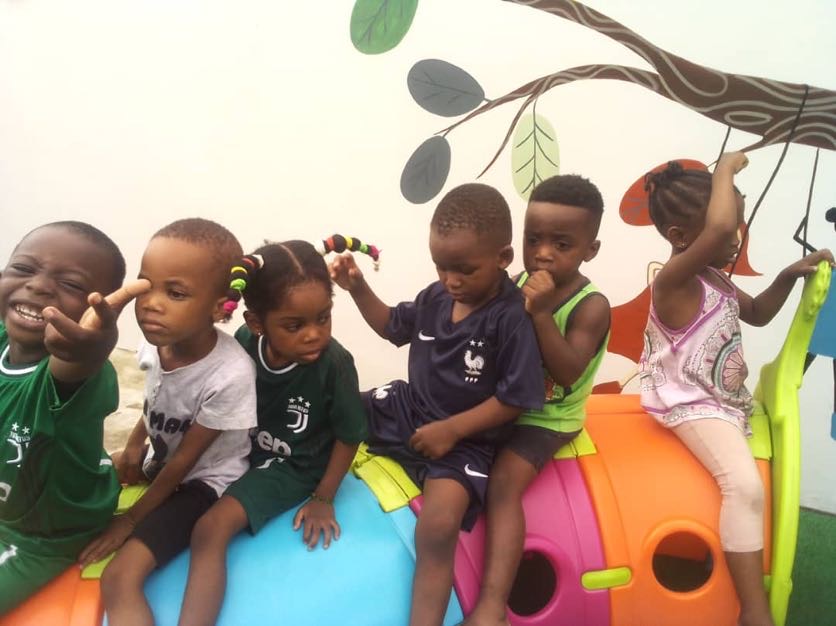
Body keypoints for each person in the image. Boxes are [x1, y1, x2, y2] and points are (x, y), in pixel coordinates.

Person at [330, 182, 545, 626]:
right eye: (441, 267)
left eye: (464, 270)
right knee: (335, 410)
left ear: (503, 258)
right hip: (408, 408)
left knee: (438, 526)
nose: (451, 280)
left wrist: (453, 430)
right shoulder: (437, 296)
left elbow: (516, 399)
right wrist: (357, 288)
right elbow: (393, 325)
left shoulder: (511, 318)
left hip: (465, 443)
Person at [638, 152, 834, 626]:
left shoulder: (712, 278)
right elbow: (721, 228)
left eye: (739, 226)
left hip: (721, 403)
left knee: (747, 483)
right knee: (744, 487)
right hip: (688, 403)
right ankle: (753, 609)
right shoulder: (673, 281)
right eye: (728, 228)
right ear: (681, 237)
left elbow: (759, 313)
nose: (735, 237)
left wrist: (788, 276)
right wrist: (723, 169)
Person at [176, 240, 368, 626]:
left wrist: (324, 497)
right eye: (295, 325)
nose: (314, 334)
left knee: (210, 530)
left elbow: (350, 435)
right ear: (256, 323)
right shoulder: (243, 343)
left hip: (292, 464)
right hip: (242, 449)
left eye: (323, 318)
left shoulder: (335, 364)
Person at [81, 218, 258, 626]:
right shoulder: (157, 341)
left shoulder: (230, 375)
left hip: (201, 483)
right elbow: (157, 400)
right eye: (146, 286)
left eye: (175, 293)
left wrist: (130, 519)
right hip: (161, 460)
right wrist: (133, 444)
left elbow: (184, 463)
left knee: (119, 578)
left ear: (219, 307)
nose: (150, 303)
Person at [464, 175, 611, 626]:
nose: (543, 253)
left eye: (561, 244)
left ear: (590, 249)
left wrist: (542, 313)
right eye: (533, 239)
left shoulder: (590, 305)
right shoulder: (517, 282)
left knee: (504, 484)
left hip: (549, 417)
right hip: (508, 401)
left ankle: (493, 605)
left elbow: (568, 372)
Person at [0, 221, 147, 615]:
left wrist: (91, 350)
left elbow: (72, 364)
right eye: (23, 269)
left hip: (35, 537)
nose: (38, 286)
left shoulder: (76, 376)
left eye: (71, 284)